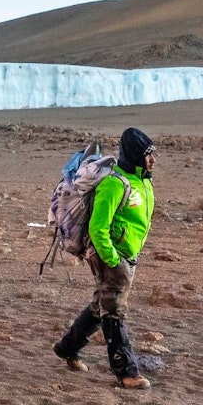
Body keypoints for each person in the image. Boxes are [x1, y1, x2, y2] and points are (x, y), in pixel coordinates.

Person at [52, 127, 157, 389]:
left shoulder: (143, 182)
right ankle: (126, 372)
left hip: (127, 254)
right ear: (135, 156)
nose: (153, 160)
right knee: (114, 311)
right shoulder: (114, 184)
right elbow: (98, 228)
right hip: (112, 257)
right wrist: (112, 259)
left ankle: (67, 347)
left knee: (101, 304)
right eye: (148, 155)